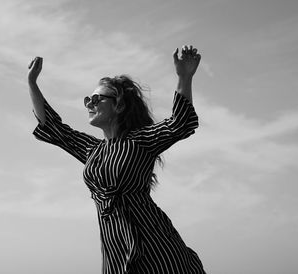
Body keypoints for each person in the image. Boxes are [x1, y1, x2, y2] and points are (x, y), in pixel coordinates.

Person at [28, 45, 205, 274]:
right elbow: (53, 128)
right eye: (87, 100)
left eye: (96, 98)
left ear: (119, 104)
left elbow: (180, 123)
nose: (89, 104)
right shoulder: (93, 150)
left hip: (156, 247)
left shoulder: (140, 141)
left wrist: (184, 77)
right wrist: (32, 83)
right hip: (115, 251)